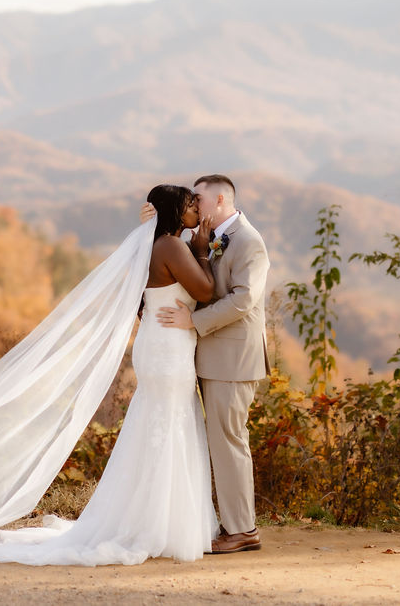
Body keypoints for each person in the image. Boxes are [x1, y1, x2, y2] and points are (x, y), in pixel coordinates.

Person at [0, 184, 222, 566]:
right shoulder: (173, 247)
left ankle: (153, 520)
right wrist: (202, 248)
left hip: (158, 341)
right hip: (169, 348)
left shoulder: (151, 244)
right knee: (169, 423)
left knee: (157, 425)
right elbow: (207, 290)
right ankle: (162, 524)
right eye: (191, 205)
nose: (198, 211)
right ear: (176, 211)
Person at [141, 174, 270, 554]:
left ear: (218, 200)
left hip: (232, 359)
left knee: (229, 442)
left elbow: (244, 300)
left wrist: (193, 322)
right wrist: (154, 219)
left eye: (198, 199)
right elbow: (174, 264)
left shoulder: (249, 241)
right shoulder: (203, 237)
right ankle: (226, 523)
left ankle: (242, 529)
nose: (194, 205)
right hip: (202, 356)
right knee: (214, 441)